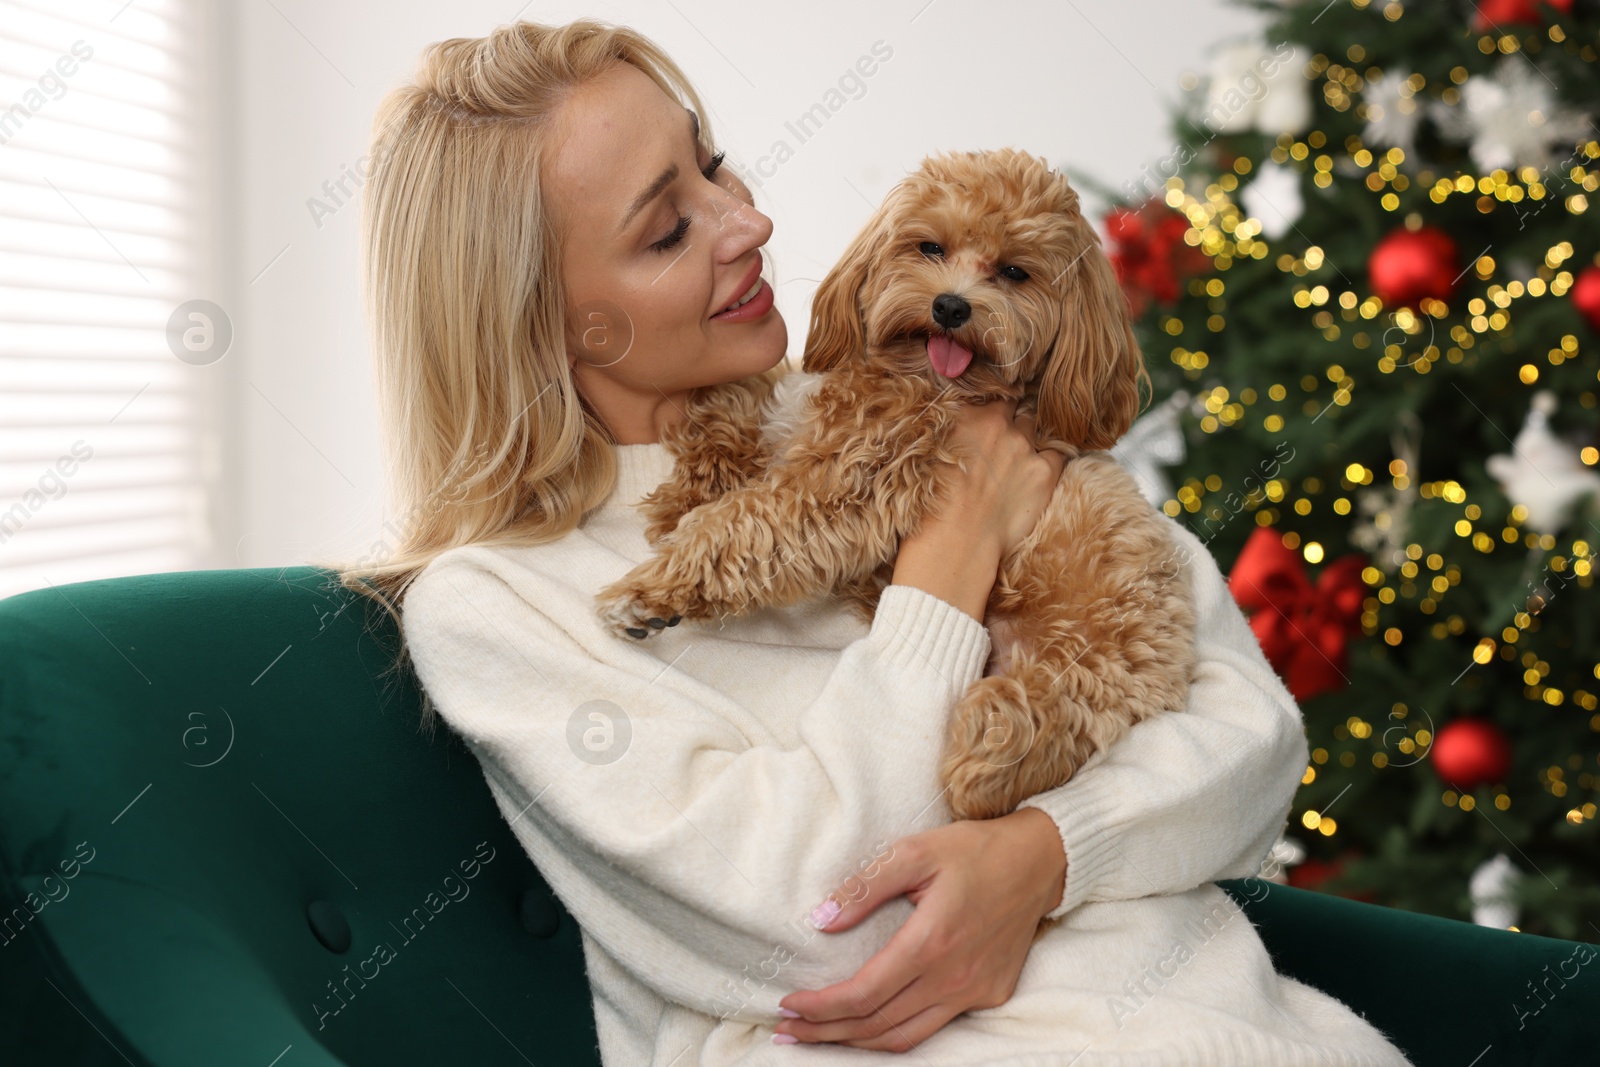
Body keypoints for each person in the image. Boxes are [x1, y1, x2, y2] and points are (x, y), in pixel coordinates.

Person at [340, 17, 1416, 1067]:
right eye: (667, 228)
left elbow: (1253, 734)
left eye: (715, 166)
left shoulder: (921, 397)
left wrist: (1049, 851)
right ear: (539, 319)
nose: (744, 224)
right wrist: (950, 556)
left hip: (1231, 1026)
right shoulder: (499, 604)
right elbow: (820, 920)